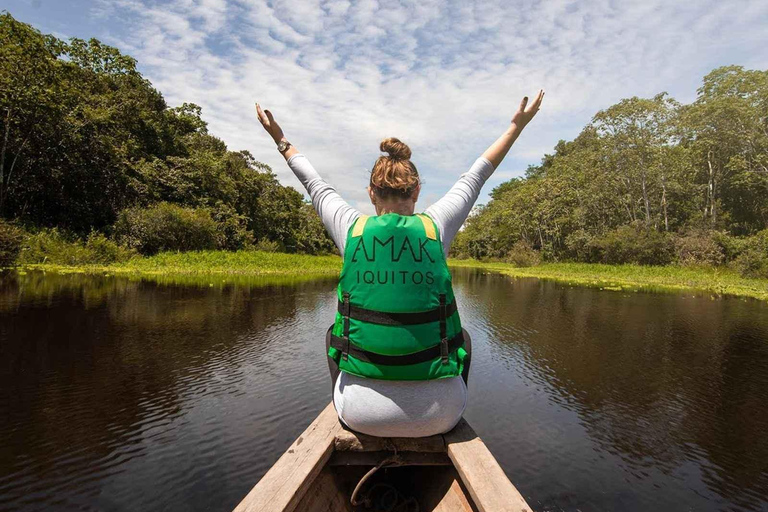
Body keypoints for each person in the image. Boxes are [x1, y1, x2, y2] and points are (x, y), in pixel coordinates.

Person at [256, 90, 544, 437]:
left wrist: (280, 139)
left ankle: (354, 402)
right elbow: (477, 175)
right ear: (417, 191)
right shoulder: (435, 227)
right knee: (463, 338)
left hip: (359, 416)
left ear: (371, 193)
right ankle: (442, 408)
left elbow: (313, 182)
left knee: (335, 334)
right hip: (442, 415)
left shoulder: (352, 228)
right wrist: (517, 126)